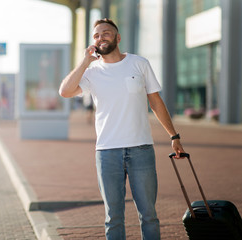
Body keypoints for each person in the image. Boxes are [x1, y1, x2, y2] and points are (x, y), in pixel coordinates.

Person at [59, 18, 185, 240]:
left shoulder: (139, 63)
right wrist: (84, 62)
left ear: (118, 38)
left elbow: (155, 102)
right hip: (107, 152)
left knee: (149, 215)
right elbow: (65, 92)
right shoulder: (91, 72)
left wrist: (173, 136)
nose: (101, 37)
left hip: (141, 150)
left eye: (106, 33)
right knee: (113, 217)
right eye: (96, 35)